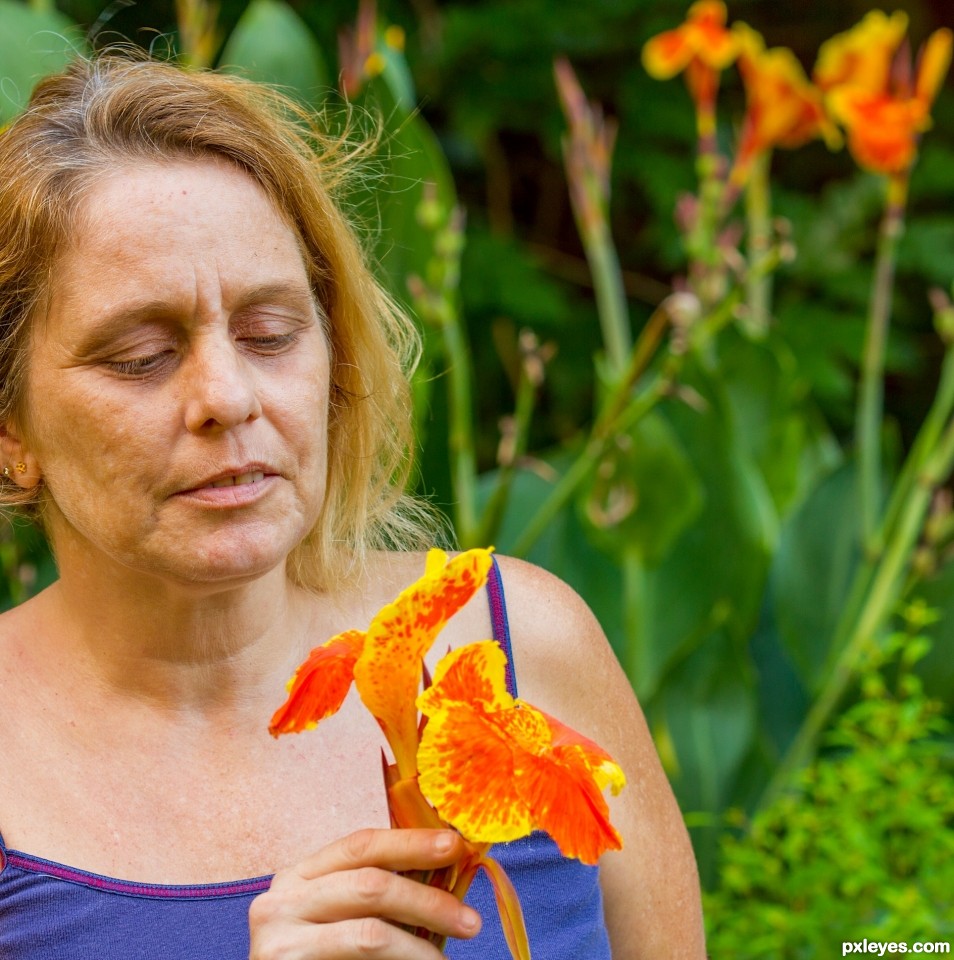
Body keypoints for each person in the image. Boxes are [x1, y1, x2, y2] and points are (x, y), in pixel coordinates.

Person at [0, 53, 706, 959]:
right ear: (12, 426)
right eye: (139, 355)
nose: (228, 395)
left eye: (270, 333)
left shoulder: (518, 642)